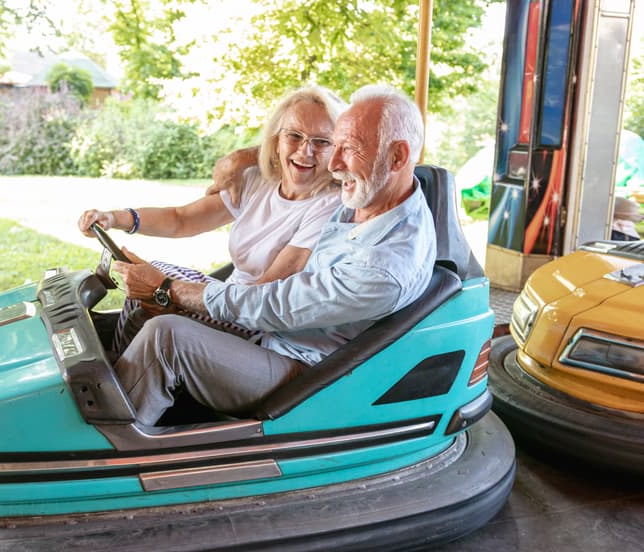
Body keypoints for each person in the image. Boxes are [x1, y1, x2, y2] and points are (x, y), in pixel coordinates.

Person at [110, 84, 437, 427]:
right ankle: (119, 389)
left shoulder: (382, 268)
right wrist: (244, 157)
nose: (335, 164)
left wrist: (167, 289)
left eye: (349, 148)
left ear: (398, 157)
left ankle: (107, 458)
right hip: (269, 335)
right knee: (143, 301)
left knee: (166, 338)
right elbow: (302, 152)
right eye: (335, 146)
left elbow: (272, 305)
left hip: (299, 373)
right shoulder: (374, 190)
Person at [77, 86, 346, 351]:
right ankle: (118, 366)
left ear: (337, 149)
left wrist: (167, 290)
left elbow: (265, 291)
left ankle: (116, 376)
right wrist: (115, 218)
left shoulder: (330, 206)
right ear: (277, 140)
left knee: (152, 283)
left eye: (321, 142)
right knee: (143, 285)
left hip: (257, 321)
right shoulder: (257, 181)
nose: (304, 151)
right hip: (225, 297)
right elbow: (181, 219)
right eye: (294, 136)